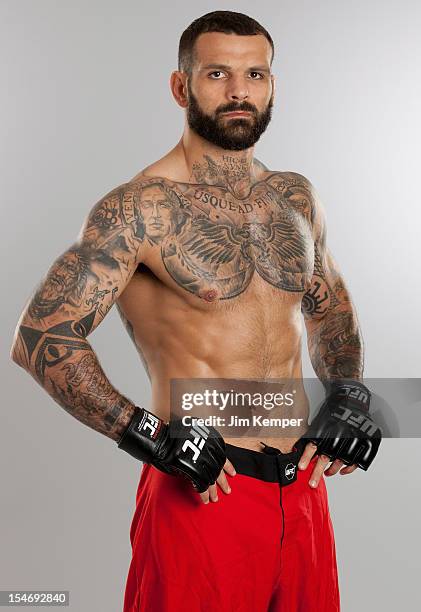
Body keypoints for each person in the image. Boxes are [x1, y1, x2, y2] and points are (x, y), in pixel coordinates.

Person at [10, 10, 382, 612]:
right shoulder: (136, 209)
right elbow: (40, 336)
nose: (239, 91)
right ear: (182, 86)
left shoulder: (295, 196)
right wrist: (147, 435)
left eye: (255, 74)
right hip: (205, 492)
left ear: (272, 85)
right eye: (217, 73)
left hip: (303, 494)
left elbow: (330, 305)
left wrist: (350, 393)